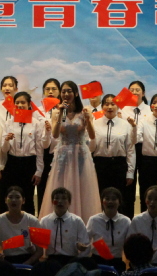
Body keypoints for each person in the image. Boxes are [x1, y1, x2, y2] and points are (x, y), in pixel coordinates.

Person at [39, 81, 100, 219]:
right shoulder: (57, 111)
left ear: (76, 93)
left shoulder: (85, 110)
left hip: (80, 154)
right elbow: (55, 135)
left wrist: (88, 120)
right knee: (61, 184)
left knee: (82, 187)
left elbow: (92, 135)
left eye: (69, 91)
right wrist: (61, 113)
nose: (66, 94)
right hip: (63, 154)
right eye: (63, 91)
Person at [0, 91, 49, 214]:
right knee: (11, 195)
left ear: (29, 105)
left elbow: (39, 149)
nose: (20, 105)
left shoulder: (36, 123)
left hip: (29, 163)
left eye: (23, 102)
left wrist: (39, 171)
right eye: (17, 102)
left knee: (28, 197)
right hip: (12, 162)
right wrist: (7, 140)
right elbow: (4, 149)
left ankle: (28, 223)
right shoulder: (9, 123)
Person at [90, 94, 136, 217]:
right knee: (100, 198)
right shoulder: (94, 123)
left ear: (118, 106)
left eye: (113, 104)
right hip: (100, 165)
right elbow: (91, 148)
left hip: (119, 165)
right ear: (102, 107)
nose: (110, 107)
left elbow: (130, 150)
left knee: (119, 199)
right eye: (106, 104)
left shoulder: (125, 124)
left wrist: (130, 172)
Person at [0, 186, 43, 265]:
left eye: (17, 197)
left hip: (28, 259)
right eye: (10, 197)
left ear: (23, 201)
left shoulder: (33, 220)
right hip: (7, 260)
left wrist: (25, 264)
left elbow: (40, 251)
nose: (13, 200)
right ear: (5, 200)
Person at [121, 80, 151, 218]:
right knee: (128, 185)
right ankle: (127, 218)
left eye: (137, 90)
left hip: (145, 149)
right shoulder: (122, 110)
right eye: (131, 90)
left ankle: (146, 217)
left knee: (145, 184)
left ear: (143, 93)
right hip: (128, 149)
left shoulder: (150, 110)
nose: (134, 92)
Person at [39, 187, 89, 266]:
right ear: (52, 202)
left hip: (71, 260)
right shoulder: (44, 221)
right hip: (51, 260)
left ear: (69, 202)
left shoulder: (77, 221)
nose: (60, 201)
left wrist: (80, 248)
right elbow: (38, 244)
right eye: (56, 198)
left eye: (64, 198)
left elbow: (85, 243)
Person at [86, 187, 131, 272]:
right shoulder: (93, 220)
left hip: (116, 261)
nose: (110, 201)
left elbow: (130, 245)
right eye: (107, 199)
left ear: (119, 202)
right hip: (97, 261)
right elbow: (85, 240)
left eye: (114, 199)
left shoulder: (126, 221)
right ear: (102, 202)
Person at [37, 78, 61, 210]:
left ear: (59, 91)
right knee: (44, 188)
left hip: (60, 153)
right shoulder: (38, 111)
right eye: (47, 89)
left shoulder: (64, 109)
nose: (50, 92)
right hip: (43, 153)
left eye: (54, 89)